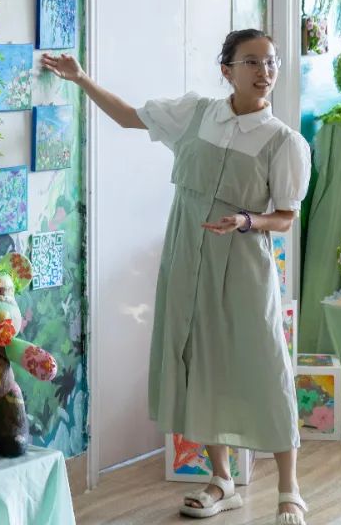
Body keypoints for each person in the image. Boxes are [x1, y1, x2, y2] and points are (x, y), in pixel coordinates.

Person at [44, 30, 311, 525]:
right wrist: (81, 79)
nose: (265, 71)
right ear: (227, 70)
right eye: (252, 62)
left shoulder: (284, 141)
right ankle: (221, 480)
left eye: (271, 62)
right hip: (187, 255)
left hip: (244, 265)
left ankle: (289, 489)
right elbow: (130, 116)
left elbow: (285, 217)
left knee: (265, 366)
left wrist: (246, 220)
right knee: (199, 363)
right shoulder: (197, 114)